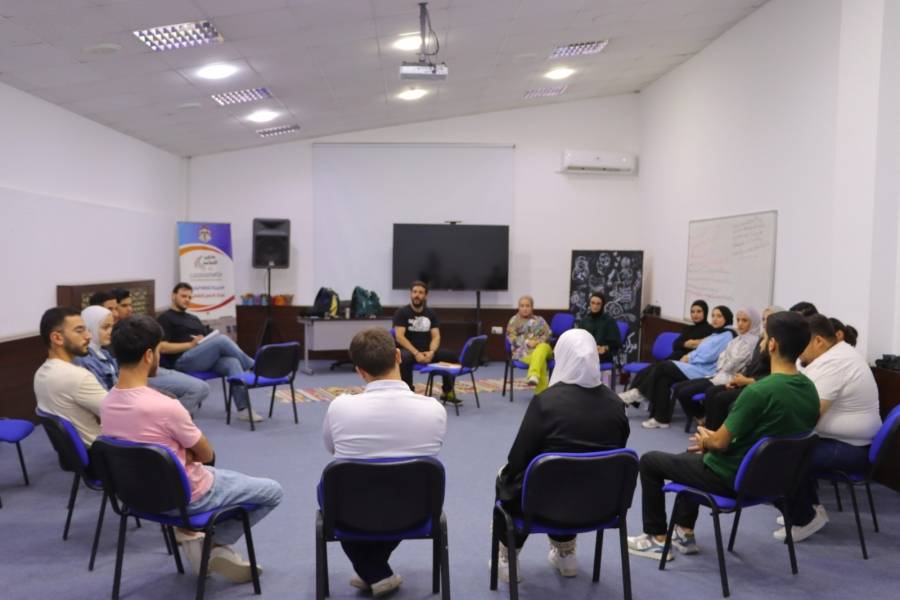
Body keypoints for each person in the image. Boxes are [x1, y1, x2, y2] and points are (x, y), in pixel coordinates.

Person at [101, 315, 283, 582]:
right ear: (150, 355)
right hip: (186, 497)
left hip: (137, 497)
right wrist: (184, 454)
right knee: (272, 491)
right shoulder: (165, 406)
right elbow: (207, 455)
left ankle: (196, 539)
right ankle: (215, 545)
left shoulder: (106, 403)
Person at [626, 311, 819, 561]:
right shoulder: (810, 389)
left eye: (764, 338)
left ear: (772, 344)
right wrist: (712, 441)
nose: (761, 342)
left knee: (650, 461)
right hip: (775, 481)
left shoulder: (759, 392)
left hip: (733, 478)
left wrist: (708, 440)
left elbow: (719, 442)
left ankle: (656, 538)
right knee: (690, 457)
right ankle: (684, 531)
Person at [494, 329, 629, 582]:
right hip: (601, 505)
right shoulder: (616, 403)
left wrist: (509, 476)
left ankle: (508, 557)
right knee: (578, 474)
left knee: (508, 477)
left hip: (544, 505)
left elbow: (518, 457)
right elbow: (617, 456)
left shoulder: (546, 402)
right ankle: (566, 555)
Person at [322, 327, 447, 596]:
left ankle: (372, 570)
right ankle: (375, 570)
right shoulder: (433, 408)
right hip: (414, 510)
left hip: (351, 512)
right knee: (408, 486)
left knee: (333, 488)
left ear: (360, 371)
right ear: (398, 356)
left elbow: (332, 449)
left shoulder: (339, 407)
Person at [775, 315, 881, 542]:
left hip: (851, 449)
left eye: (802, 343)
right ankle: (809, 508)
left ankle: (806, 517)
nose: (798, 352)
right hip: (844, 442)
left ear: (819, 341)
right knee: (787, 447)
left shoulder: (836, 363)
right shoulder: (835, 355)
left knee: (781, 455)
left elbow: (808, 415)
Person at [77, 306, 209, 415]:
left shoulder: (103, 353)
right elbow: (108, 399)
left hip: (131, 386)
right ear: (90, 327)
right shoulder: (86, 360)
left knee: (170, 396)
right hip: (123, 403)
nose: (110, 332)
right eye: (105, 327)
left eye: (111, 327)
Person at [157, 282, 260, 422]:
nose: (187, 299)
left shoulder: (193, 318)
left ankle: (244, 409)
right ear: (173, 296)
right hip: (182, 361)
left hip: (202, 357)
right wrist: (190, 345)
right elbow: (162, 347)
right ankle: (254, 366)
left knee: (232, 362)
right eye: (183, 296)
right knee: (222, 340)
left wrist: (207, 339)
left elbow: (209, 335)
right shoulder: (165, 319)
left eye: (189, 297)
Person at [619, 306, 735, 429]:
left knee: (664, 366)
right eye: (713, 316)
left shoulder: (727, 335)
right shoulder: (717, 333)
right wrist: (688, 356)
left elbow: (709, 356)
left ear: (727, 318)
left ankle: (639, 392)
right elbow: (698, 350)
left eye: (719, 316)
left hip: (703, 371)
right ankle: (661, 419)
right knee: (664, 379)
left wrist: (689, 358)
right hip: (694, 366)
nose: (715, 319)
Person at [674, 308, 761, 426]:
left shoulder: (752, 342)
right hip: (718, 374)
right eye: (738, 320)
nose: (740, 324)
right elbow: (721, 358)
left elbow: (735, 363)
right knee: (679, 388)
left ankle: (705, 420)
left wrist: (726, 362)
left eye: (744, 320)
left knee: (686, 392)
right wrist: (725, 363)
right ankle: (701, 416)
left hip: (730, 379)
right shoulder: (738, 338)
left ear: (753, 322)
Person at [33, 307, 107, 446]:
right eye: (79, 331)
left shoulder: (40, 373)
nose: (88, 336)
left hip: (76, 450)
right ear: (57, 338)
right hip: (100, 450)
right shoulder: (78, 376)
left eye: (86, 330)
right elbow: (116, 413)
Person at [702, 306, 782, 430]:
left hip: (760, 387)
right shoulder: (761, 340)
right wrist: (737, 381)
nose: (765, 322)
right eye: (763, 319)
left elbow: (774, 376)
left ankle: (715, 435)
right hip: (748, 382)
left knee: (720, 398)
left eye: (769, 319)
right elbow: (751, 366)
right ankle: (708, 432)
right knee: (713, 391)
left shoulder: (778, 345)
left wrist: (746, 381)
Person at [392, 280, 459, 403]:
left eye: (420, 292)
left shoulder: (431, 313)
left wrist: (432, 352)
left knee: (452, 356)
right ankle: (408, 394)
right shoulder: (401, 313)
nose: (417, 295)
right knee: (403, 358)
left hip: (427, 352)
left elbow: (436, 336)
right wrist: (416, 353)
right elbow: (399, 337)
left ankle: (447, 392)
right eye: (414, 292)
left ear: (425, 295)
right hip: (409, 351)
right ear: (411, 294)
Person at [506, 296, 553, 392]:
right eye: (522, 306)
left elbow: (549, 334)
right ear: (518, 307)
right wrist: (527, 342)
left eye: (527, 306)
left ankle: (533, 374)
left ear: (532, 307)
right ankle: (541, 394)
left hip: (543, 349)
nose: (525, 308)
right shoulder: (513, 321)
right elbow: (511, 338)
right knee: (540, 360)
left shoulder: (539, 319)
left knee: (542, 347)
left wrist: (537, 342)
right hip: (524, 353)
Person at [576, 292, 622, 363]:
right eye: (593, 303)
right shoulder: (584, 321)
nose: (595, 306)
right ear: (589, 304)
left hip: (602, 356)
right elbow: (578, 340)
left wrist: (604, 348)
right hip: (585, 355)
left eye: (598, 304)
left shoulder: (609, 321)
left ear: (602, 305)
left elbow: (616, 344)